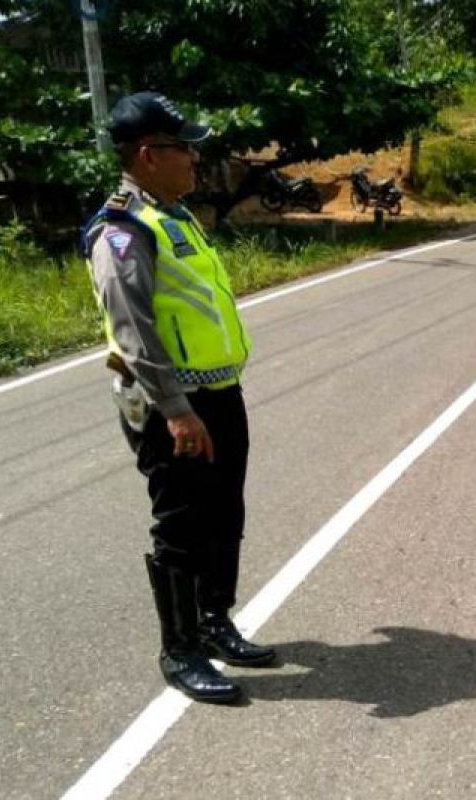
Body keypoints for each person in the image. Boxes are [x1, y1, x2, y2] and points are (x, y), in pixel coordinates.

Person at [82, 92, 276, 704]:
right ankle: (181, 649)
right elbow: (133, 328)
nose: (194, 158)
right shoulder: (121, 231)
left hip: (218, 393)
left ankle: (215, 619)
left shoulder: (175, 215)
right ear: (147, 155)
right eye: (182, 148)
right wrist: (175, 411)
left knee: (225, 515)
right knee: (183, 527)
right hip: (175, 408)